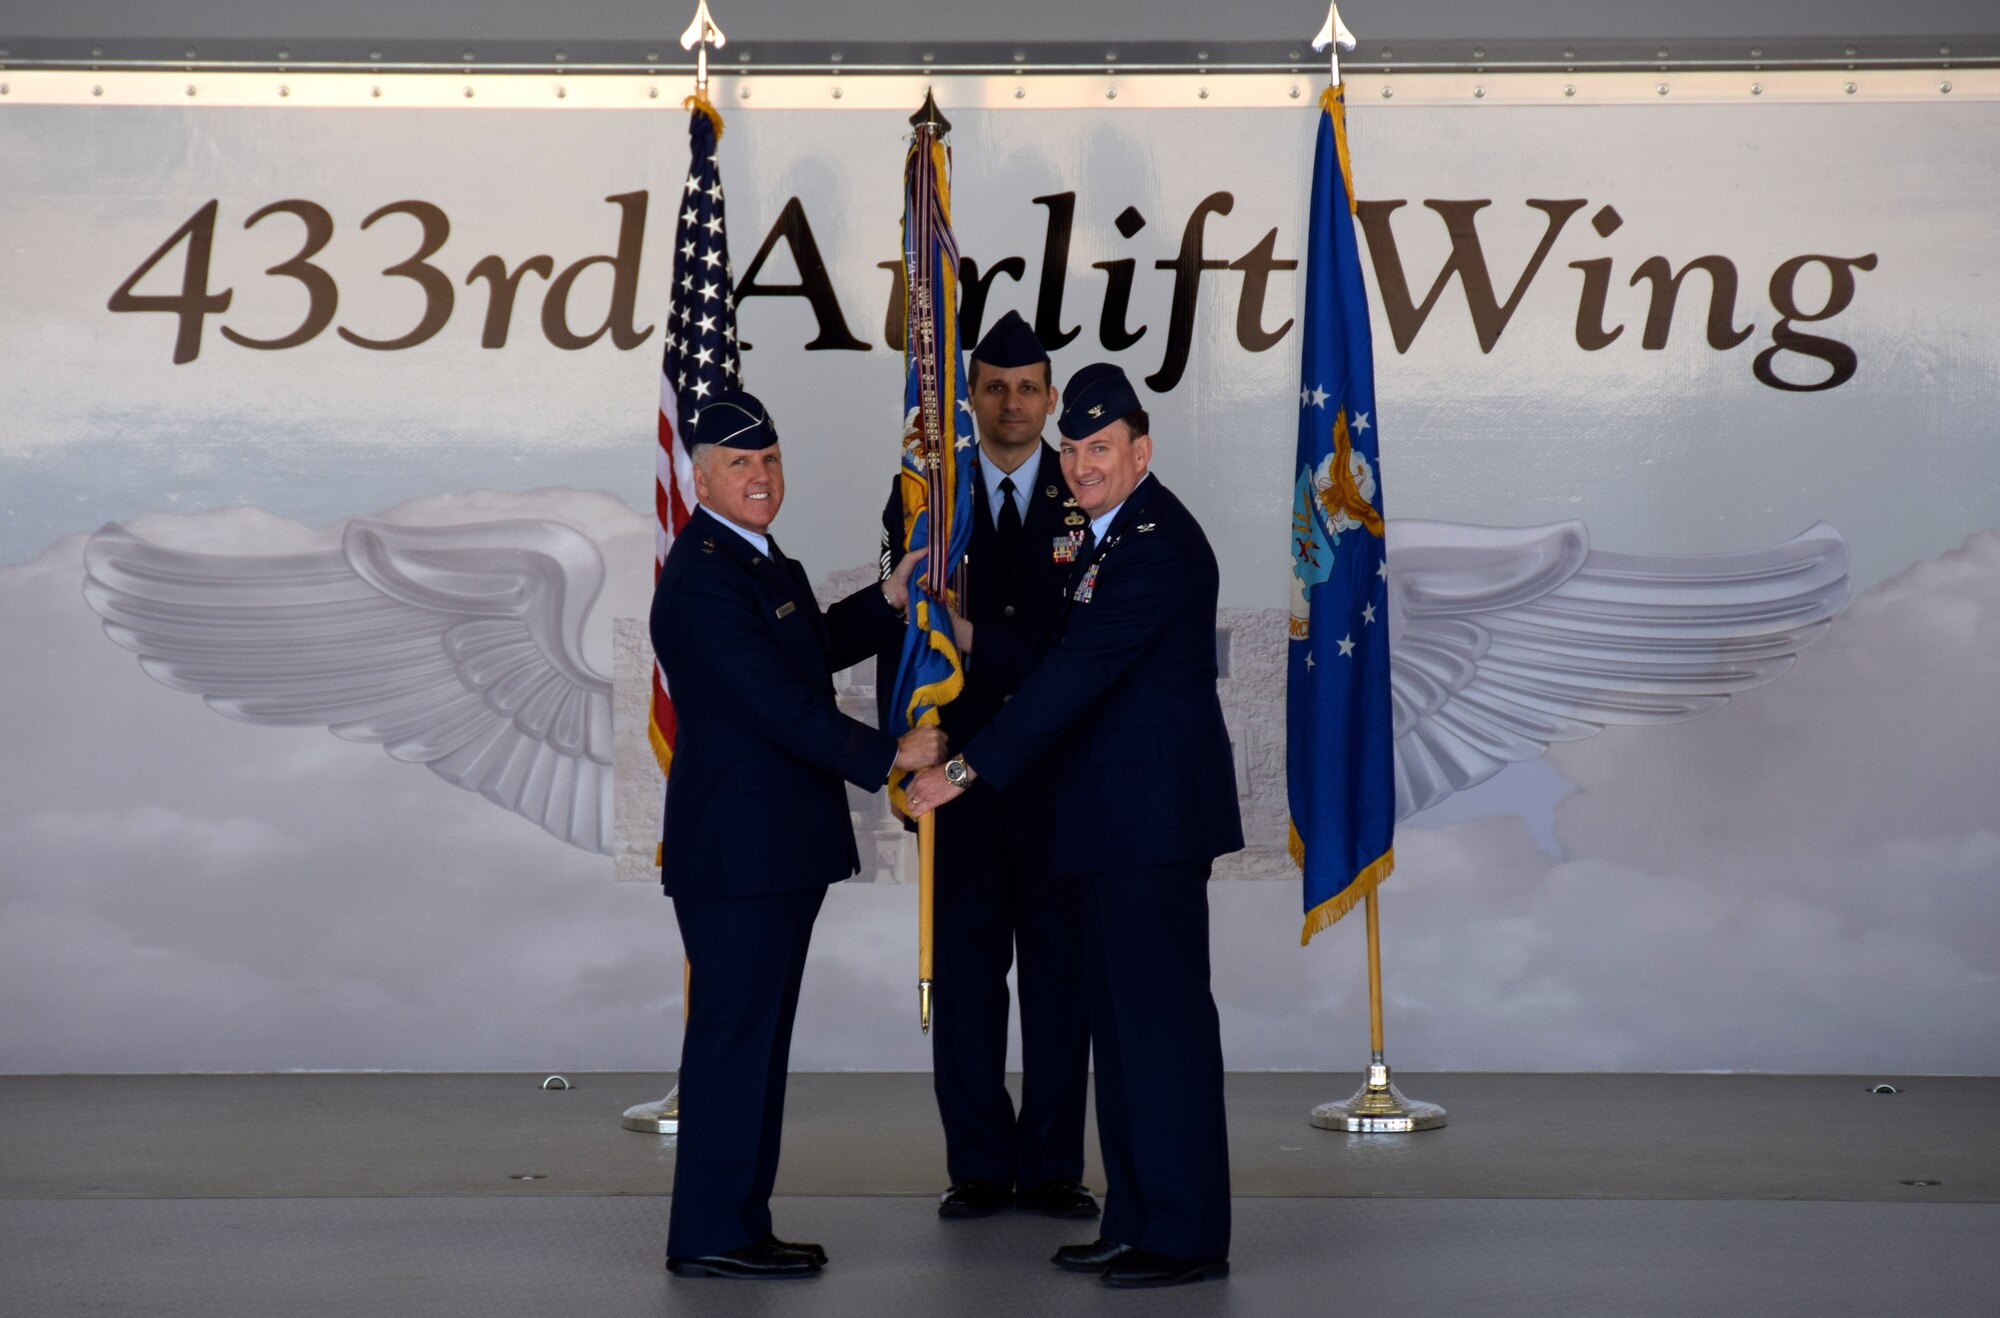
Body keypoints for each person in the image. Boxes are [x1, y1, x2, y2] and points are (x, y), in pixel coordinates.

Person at [906, 362, 1243, 1289]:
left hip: (1148, 828)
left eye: (1104, 449)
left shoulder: (1155, 544)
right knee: (1124, 1035)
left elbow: (1070, 680)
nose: (1085, 464)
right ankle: (1138, 1219)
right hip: (1105, 824)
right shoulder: (1105, 534)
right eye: (1077, 449)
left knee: (1161, 1031)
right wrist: (965, 635)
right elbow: (1055, 651)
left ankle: (1185, 1236)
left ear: (1142, 451)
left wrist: (961, 773)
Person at [653, 390, 947, 1280]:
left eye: (770, 460)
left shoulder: (755, 559)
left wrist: (890, 596)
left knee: (754, 1042)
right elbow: (776, 706)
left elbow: (806, 646)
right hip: (739, 857)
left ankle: (738, 1222)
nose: (761, 476)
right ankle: (710, 1232)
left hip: (771, 851)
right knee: (734, 1043)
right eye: (740, 464)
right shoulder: (703, 578)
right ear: (700, 477)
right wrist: (892, 753)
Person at [877, 309, 1096, 1222]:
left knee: (1057, 976)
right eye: (995, 386)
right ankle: (976, 1162)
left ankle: (1050, 1166)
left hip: (1055, 781)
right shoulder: (929, 494)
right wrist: (905, 755)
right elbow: (906, 635)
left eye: (1029, 387)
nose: (1013, 403)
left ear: (1050, 398)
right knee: (966, 977)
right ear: (968, 397)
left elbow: (1074, 652)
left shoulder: (1086, 497)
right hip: (954, 785)